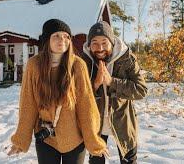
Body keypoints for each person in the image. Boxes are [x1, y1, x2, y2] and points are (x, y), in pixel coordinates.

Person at [8, 19, 109, 164]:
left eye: (66, 36)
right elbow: (27, 105)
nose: (62, 39)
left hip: (75, 139)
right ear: (47, 40)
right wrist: (21, 139)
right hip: (46, 140)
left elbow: (86, 106)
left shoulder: (77, 65)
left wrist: (93, 140)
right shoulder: (34, 65)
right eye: (56, 36)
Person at [81, 21, 148, 164]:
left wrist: (112, 82)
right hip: (96, 125)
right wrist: (96, 84)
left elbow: (141, 90)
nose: (100, 48)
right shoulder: (83, 62)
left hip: (124, 122)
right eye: (94, 43)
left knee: (128, 161)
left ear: (112, 42)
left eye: (104, 43)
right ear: (89, 45)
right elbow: (77, 97)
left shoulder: (127, 58)